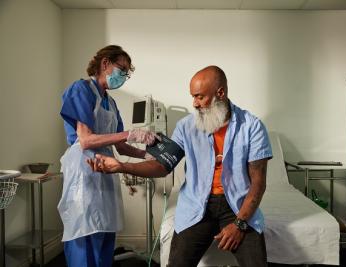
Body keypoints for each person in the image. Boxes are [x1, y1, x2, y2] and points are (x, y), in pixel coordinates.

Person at [88, 65, 273, 267]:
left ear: (220, 93)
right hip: (198, 205)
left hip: (237, 206)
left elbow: (258, 183)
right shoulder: (186, 127)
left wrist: (239, 224)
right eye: (192, 97)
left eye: (200, 97)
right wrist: (121, 166)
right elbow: (162, 166)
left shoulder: (252, 126)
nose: (194, 103)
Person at [58, 45, 158, 267]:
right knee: (85, 233)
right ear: (105, 64)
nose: (123, 76)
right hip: (85, 170)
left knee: (104, 233)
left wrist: (147, 154)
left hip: (106, 170)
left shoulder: (110, 103)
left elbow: (121, 147)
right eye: (121, 69)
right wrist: (130, 133)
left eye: (126, 73)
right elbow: (85, 140)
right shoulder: (81, 89)